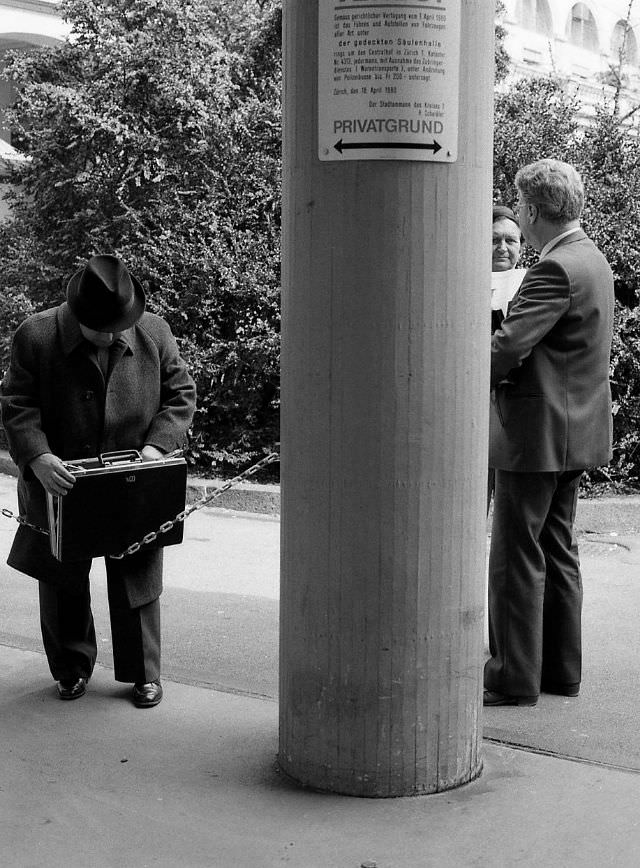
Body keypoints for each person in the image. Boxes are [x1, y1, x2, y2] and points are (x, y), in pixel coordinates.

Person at [0, 254, 196, 707]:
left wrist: (154, 450)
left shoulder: (156, 331)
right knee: (61, 579)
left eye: (119, 327)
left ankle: (144, 674)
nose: (112, 337)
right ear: (76, 315)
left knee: (138, 577)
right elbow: (17, 404)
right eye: (101, 330)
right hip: (58, 481)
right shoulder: (35, 334)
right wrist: (38, 456)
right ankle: (71, 670)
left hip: (133, 480)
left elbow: (181, 394)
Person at [484, 159, 614, 707]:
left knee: (516, 556)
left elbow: (509, 345)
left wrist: (451, 374)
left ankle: (514, 676)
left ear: (533, 211)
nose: (516, 214)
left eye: (518, 206)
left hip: (536, 435)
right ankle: (560, 671)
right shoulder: (594, 260)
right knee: (558, 549)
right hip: (576, 432)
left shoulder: (555, 267)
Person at [488, 205, 525, 510]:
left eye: (511, 241)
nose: (502, 248)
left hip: (517, 414)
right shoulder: (462, 285)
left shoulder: (532, 288)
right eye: (494, 239)